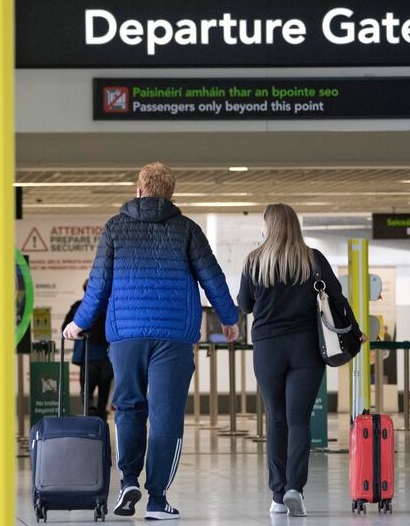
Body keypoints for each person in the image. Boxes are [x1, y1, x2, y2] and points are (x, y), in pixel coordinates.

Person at [64, 162, 239, 521]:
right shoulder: (187, 229)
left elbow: (98, 283)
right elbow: (213, 277)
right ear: (171, 194)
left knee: (128, 408)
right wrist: (230, 318)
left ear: (139, 190)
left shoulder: (115, 227)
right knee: (166, 417)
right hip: (173, 338)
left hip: (126, 336)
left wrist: (78, 324)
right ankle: (157, 499)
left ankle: (129, 479)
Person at [237, 203, 360, 517]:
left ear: (270, 226)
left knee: (276, 419)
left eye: (264, 224)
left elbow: (246, 305)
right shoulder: (313, 260)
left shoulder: (254, 261)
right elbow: (337, 297)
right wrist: (355, 330)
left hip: (268, 350)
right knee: (298, 420)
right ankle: (295, 488)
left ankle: (278, 496)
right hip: (306, 348)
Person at [62, 280, 113, 420]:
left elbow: (65, 329)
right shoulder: (109, 307)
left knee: (87, 394)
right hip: (106, 357)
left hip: (89, 358)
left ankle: (90, 422)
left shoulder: (78, 307)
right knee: (103, 395)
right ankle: (100, 424)